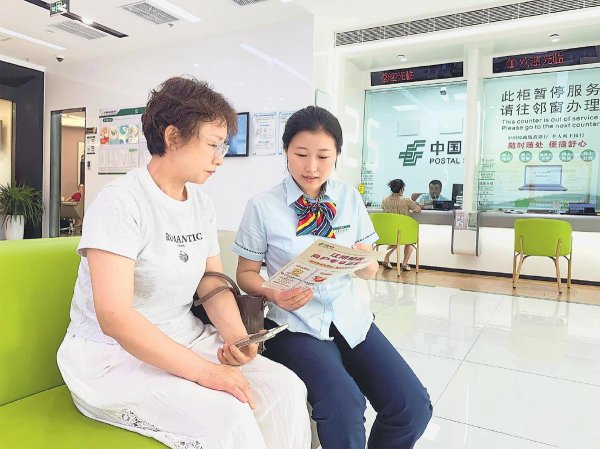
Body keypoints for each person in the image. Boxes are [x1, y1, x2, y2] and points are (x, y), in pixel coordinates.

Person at [56, 77, 311, 449]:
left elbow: (211, 279)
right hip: (111, 358)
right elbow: (114, 317)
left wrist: (236, 335)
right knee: (229, 418)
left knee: (286, 389)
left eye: (223, 146)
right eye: (212, 144)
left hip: (184, 337)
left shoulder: (200, 204)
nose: (219, 158)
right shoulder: (121, 202)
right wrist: (206, 372)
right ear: (173, 137)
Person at [233, 106, 432, 449]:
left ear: (337, 154)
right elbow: (245, 274)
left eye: (323, 156)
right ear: (286, 151)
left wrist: (361, 260)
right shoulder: (262, 206)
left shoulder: (349, 198)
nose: (312, 167)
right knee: (344, 406)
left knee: (412, 406)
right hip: (295, 324)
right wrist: (274, 293)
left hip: (350, 317)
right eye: (301, 154)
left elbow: (369, 270)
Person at [381, 178, 421, 271]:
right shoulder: (406, 200)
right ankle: (405, 263)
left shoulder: (385, 200)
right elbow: (417, 209)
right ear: (402, 189)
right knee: (410, 241)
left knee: (394, 241)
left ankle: (386, 259)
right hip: (403, 233)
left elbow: (382, 208)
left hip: (389, 232)